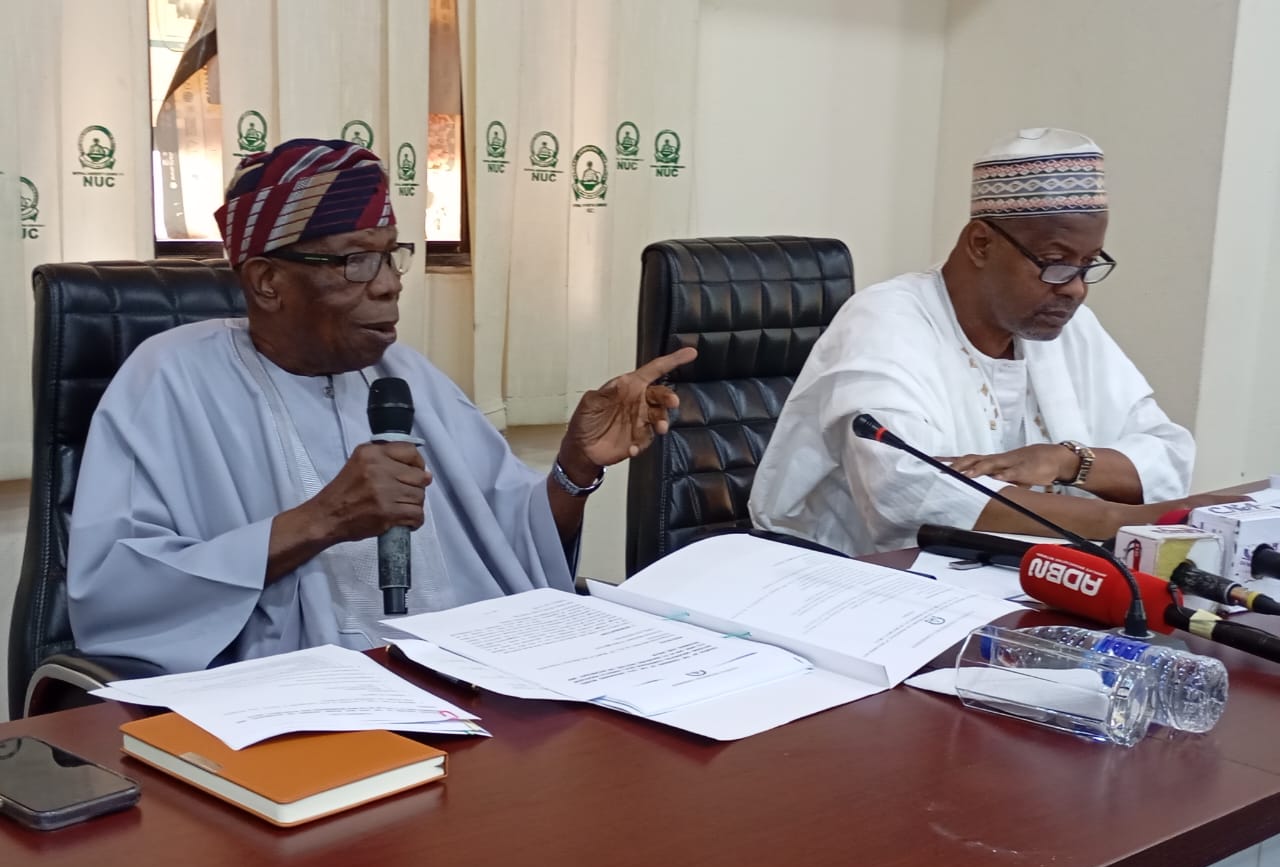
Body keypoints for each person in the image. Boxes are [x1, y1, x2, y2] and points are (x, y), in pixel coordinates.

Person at [67, 138, 694, 672]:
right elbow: (116, 593)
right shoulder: (172, 379)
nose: (390, 283)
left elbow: (511, 550)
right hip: (291, 694)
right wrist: (322, 520)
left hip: (462, 677)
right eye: (356, 261)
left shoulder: (403, 374)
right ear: (267, 281)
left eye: (392, 255)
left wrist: (574, 468)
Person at [749, 127, 1221, 557]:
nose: (1076, 288)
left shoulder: (1067, 327)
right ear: (980, 244)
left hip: (1021, 576)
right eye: (1056, 263)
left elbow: (1167, 454)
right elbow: (909, 491)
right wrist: (1115, 521)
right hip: (860, 581)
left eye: (1088, 264)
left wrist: (1065, 460)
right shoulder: (885, 320)